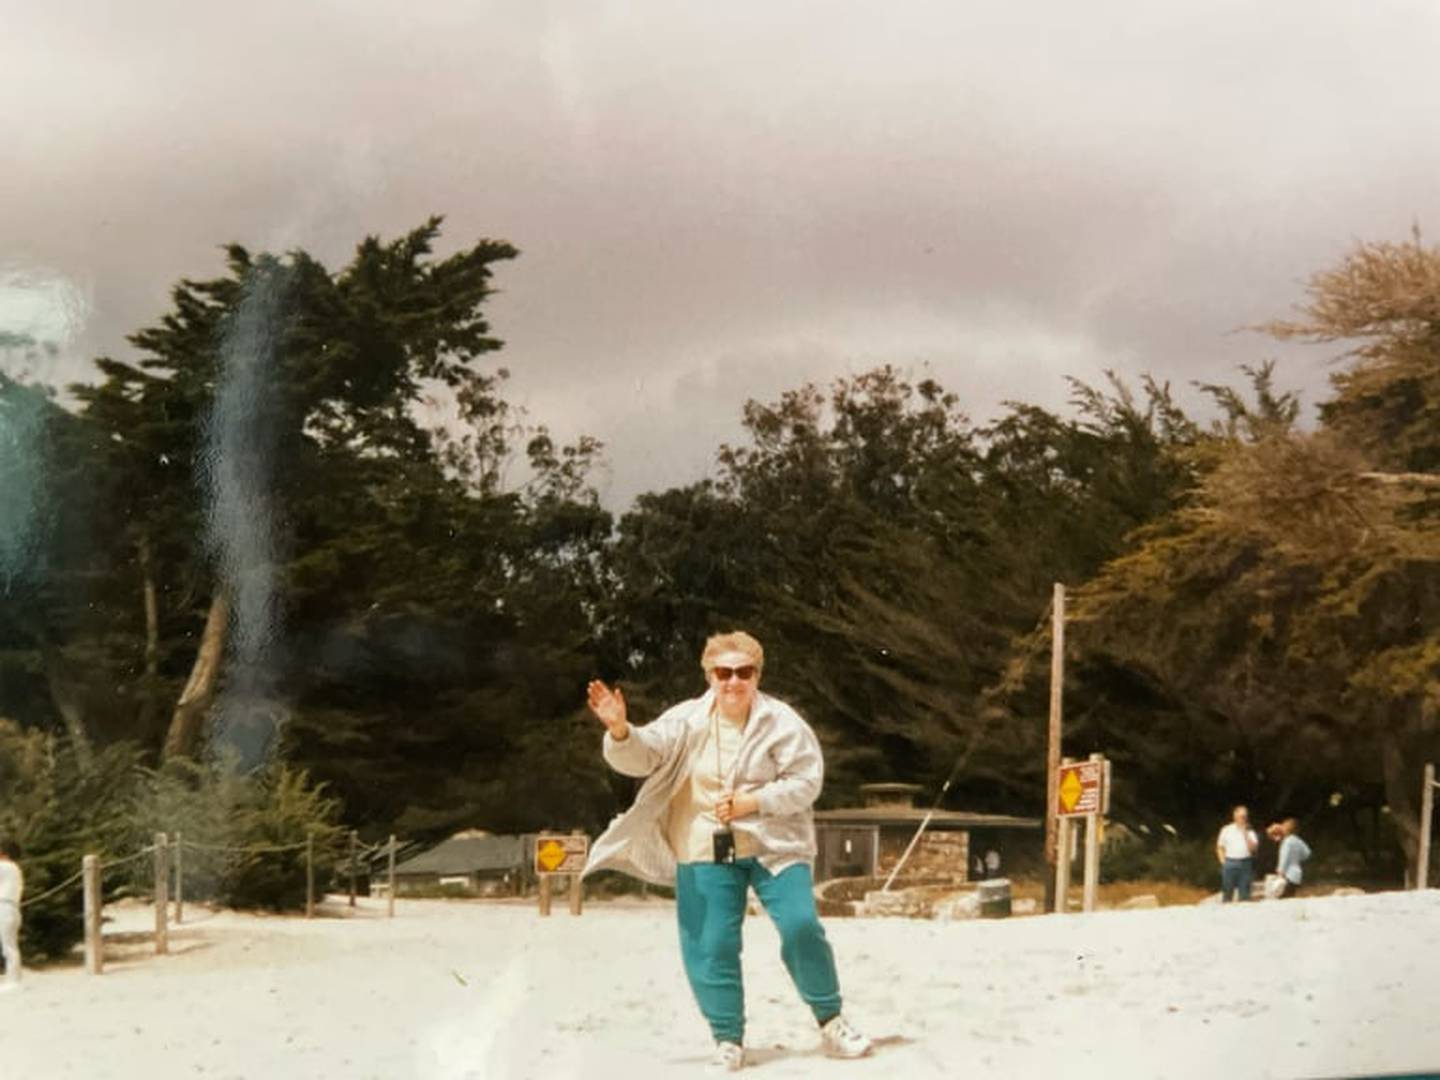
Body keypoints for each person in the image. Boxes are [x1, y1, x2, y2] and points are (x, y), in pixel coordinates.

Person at [583, 631, 872, 1072]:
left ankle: (831, 1020)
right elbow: (642, 757)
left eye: (744, 672)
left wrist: (754, 802)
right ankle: (728, 1038)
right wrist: (621, 729)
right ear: (709, 676)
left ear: (757, 675)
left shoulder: (783, 722)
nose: (733, 682)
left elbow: (807, 781)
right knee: (711, 944)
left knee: (801, 926)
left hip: (775, 845)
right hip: (703, 846)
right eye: (724, 672)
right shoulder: (685, 720)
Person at [1216, 805, 1259, 903]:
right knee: (1227, 892)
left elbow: (1253, 849)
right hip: (1230, 862)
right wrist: (1223, 862)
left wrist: (1245, 834)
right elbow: (1220, 847)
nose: (1244, 819)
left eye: (1245, 816)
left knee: (1245, 894)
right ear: (1235, 817)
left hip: (1245, 863)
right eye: (1242, 816)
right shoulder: (1226, 830)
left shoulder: (1250, 832)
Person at [0, 839, 23, 989]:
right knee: (9, 945)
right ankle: (12, 978)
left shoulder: (5, 866)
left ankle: (14, 981)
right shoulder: (14, 868)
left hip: (4, 906)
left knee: (8, 946)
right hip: (9, 907)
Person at [1272, 817, 1312, 898]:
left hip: (1288, 874)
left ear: (1287, 829)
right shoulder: (1298, 840)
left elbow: (1284, 858)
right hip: (1297, 873)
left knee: (1283, 898)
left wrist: (1280, 872)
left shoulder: (1286, 842)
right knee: (1291, 896)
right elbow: (1308, 853)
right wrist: (1297, 859)